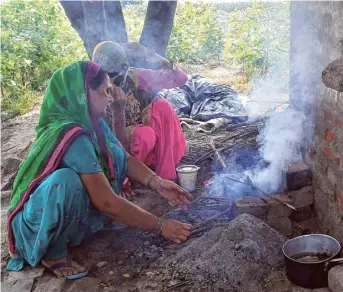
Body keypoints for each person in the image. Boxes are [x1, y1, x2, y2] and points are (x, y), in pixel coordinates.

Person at [7, 61, 192, 279]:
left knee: (108, 160)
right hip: (36, 223)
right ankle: (52, 252)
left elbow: (124, 157)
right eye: (105, 91)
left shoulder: (94, 123)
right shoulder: (72, 134)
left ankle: (76, 229)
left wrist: (157, 182)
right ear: (84, 94)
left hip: (64, 209)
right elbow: (105, 201)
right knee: (66, 181)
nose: (111, 97)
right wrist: (161, 226)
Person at [92, 42, 188, 190]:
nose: (114, 78)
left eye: (118, 71)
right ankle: (128, 178)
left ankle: (165, 175)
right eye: (109, 74)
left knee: (163, 106)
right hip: (108, 145)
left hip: (138, 139)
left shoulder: (133, 76)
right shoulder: (90, 88)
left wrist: (156, 58)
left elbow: (181, 79)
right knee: (143, 134)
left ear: (125, 67)